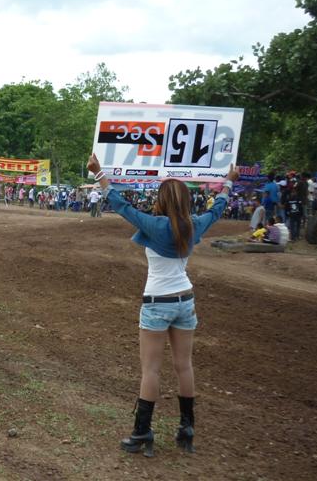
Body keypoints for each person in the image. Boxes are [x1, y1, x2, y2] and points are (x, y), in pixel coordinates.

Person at [87, 152, 239, 457]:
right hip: (185, 300)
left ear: (162, 199)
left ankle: (142, 431)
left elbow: (120, 204)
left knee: (151, 371)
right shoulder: (194, 225)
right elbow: (217, 209)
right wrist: (228, 183)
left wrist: (99, 172)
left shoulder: (155, 225)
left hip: (157, 302)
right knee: (184, 366)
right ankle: (187, 427)